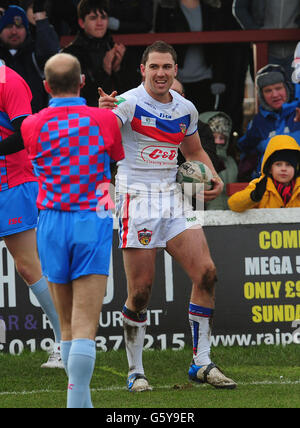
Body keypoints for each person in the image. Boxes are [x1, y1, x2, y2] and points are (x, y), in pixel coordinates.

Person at [99, 40, 237, 391]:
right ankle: (135, 371)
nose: (161, 73)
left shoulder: (186, 109)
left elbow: (193, 150)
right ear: (142, 70)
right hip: (136, 199)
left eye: (167, 67)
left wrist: (214, 176)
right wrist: (102, 112)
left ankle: (202, 363)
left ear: (176, 70)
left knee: (206, 273)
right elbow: (101, 135)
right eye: (154, 67)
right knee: (141, 292)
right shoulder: (127, 103)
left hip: (176, 198)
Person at [20, 53, 124, 408]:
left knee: (65, 323)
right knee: (83, 324)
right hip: (90, 218)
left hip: (49, 222)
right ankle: (78, 402)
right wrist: (101, 112)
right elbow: (113, 153)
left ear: (46, 86)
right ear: (81, 82)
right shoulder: (104, 119)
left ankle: (80, 402)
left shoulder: (31, 125)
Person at [0, 61, 62, 368]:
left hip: (12, 181)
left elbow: (25, 132)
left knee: (27, 265)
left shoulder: (8, 80)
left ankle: (66, 339)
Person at [154, 0, 226, 114]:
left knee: (202, 121)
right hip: (176, 78)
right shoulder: (166, 8)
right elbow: (160, 45)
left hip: (205, 76)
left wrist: (219, 78)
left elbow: (219, 47)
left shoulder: (212, 8)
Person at [237, 63, 300, 181]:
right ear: (261, 95)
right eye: (268, 91)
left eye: (278, 88)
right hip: (269, 189)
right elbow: (246, 153)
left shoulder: (298, 111)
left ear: (287, 88)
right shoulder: (258, 123)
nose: (274, 95)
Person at [62, 0, 127, 107]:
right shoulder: (70, 54)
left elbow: (129, 92)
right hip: (85, 117)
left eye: (103, 17)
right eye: (93, 18)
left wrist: (117, 69)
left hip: (117, 114)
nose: (100, 23)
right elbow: (77, 94)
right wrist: (105, 70)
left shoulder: (113, 47)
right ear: (81, 23)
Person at [0, 4, 60, 112]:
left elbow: (51, 54)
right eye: (8, 26)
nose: (14, 32)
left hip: (33, 120)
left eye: (19, 27)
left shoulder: (35, 53)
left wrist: (41, 21)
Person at [228, 135, 300, 211]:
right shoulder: (260, 185)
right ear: (269, 169)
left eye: (288, 165)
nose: (283, 169)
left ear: (296, 169)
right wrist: (253, 196)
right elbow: (233, 205)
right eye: (278, 164)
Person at [232, 0, 300, 78]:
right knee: (267, 86)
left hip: (295, 49)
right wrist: (255, 32)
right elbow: (239, 8)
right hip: (265, 50)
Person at [107, 0, 154, 90]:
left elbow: (147, 24)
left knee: (132, 83)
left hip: (136, 51)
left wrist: (119, 25)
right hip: (112, 47)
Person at [199, 111, 238, 210]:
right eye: (213, 137)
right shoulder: (196, 163)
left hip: (232, 216)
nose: (217, 141)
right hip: (205, 218)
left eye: (222, 138)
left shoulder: (231, 163)